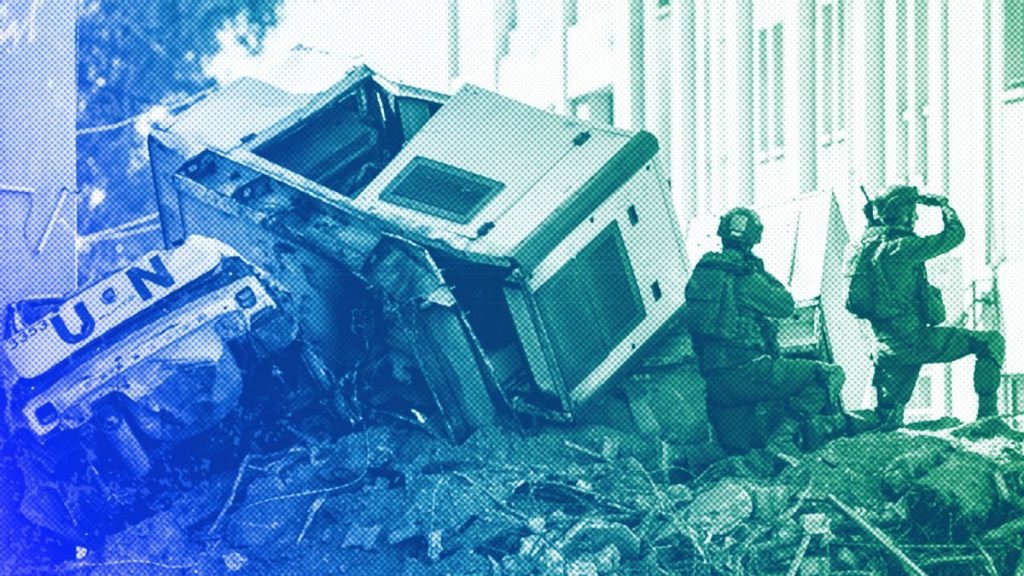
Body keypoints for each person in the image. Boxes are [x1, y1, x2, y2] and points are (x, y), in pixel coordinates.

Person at [685, 207, 848, 457]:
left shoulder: (702, 274)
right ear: (753, 239)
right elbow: (785, 305)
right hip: (748, 371)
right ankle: (783, 439)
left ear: (722, 234)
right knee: (827, 375)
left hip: (715, 380)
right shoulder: (746, 277)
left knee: (740, 452)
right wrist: (758, 270)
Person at [858, 185, 1005, 430]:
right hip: (915, 341)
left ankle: (821, 427)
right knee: (990, 342)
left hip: (885, 347)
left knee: (885, 419)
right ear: (903, 215)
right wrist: (944, 207)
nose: (916, 217)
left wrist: (874, 219)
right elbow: (955, 235)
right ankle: (988, 419)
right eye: (912, 212)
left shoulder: (869, 249)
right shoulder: (903, 248)